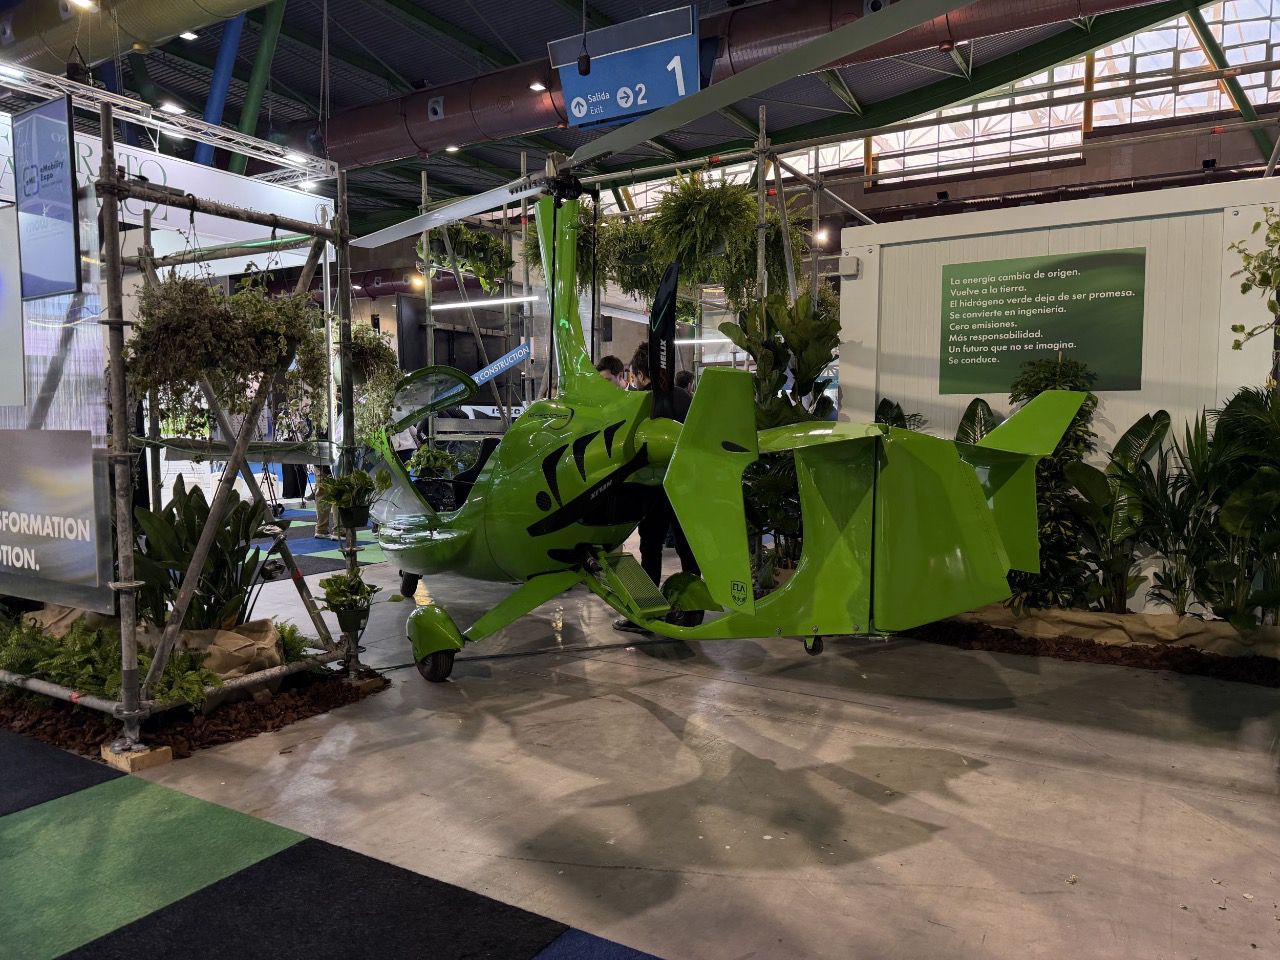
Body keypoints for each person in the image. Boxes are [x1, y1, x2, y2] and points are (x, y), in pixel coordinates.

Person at [615, 343, 699, 634]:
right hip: (685, 486)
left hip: (651, 489)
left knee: (650, 548)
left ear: (640, 374)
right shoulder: (684, 398)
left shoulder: (639, 402)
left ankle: (647, 613)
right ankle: (691, 611)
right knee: (687, 550)